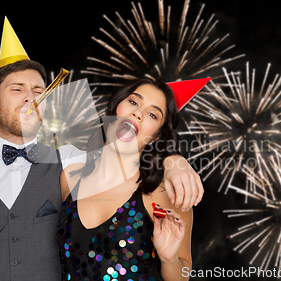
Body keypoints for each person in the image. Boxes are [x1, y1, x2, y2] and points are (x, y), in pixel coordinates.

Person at [0, 18, 203, 281]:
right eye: (17, 89)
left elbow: (125, 155)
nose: (31, 98)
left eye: (39, 91)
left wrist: (175, 161)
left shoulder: (72, 161)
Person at [58, 77, 211, 281]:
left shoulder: (164, 193)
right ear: (115, 109)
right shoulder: (70, 177)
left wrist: (169, 259)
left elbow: (182, 275)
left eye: (152, 114)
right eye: (133, 102)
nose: (137, 113)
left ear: (156, 136)